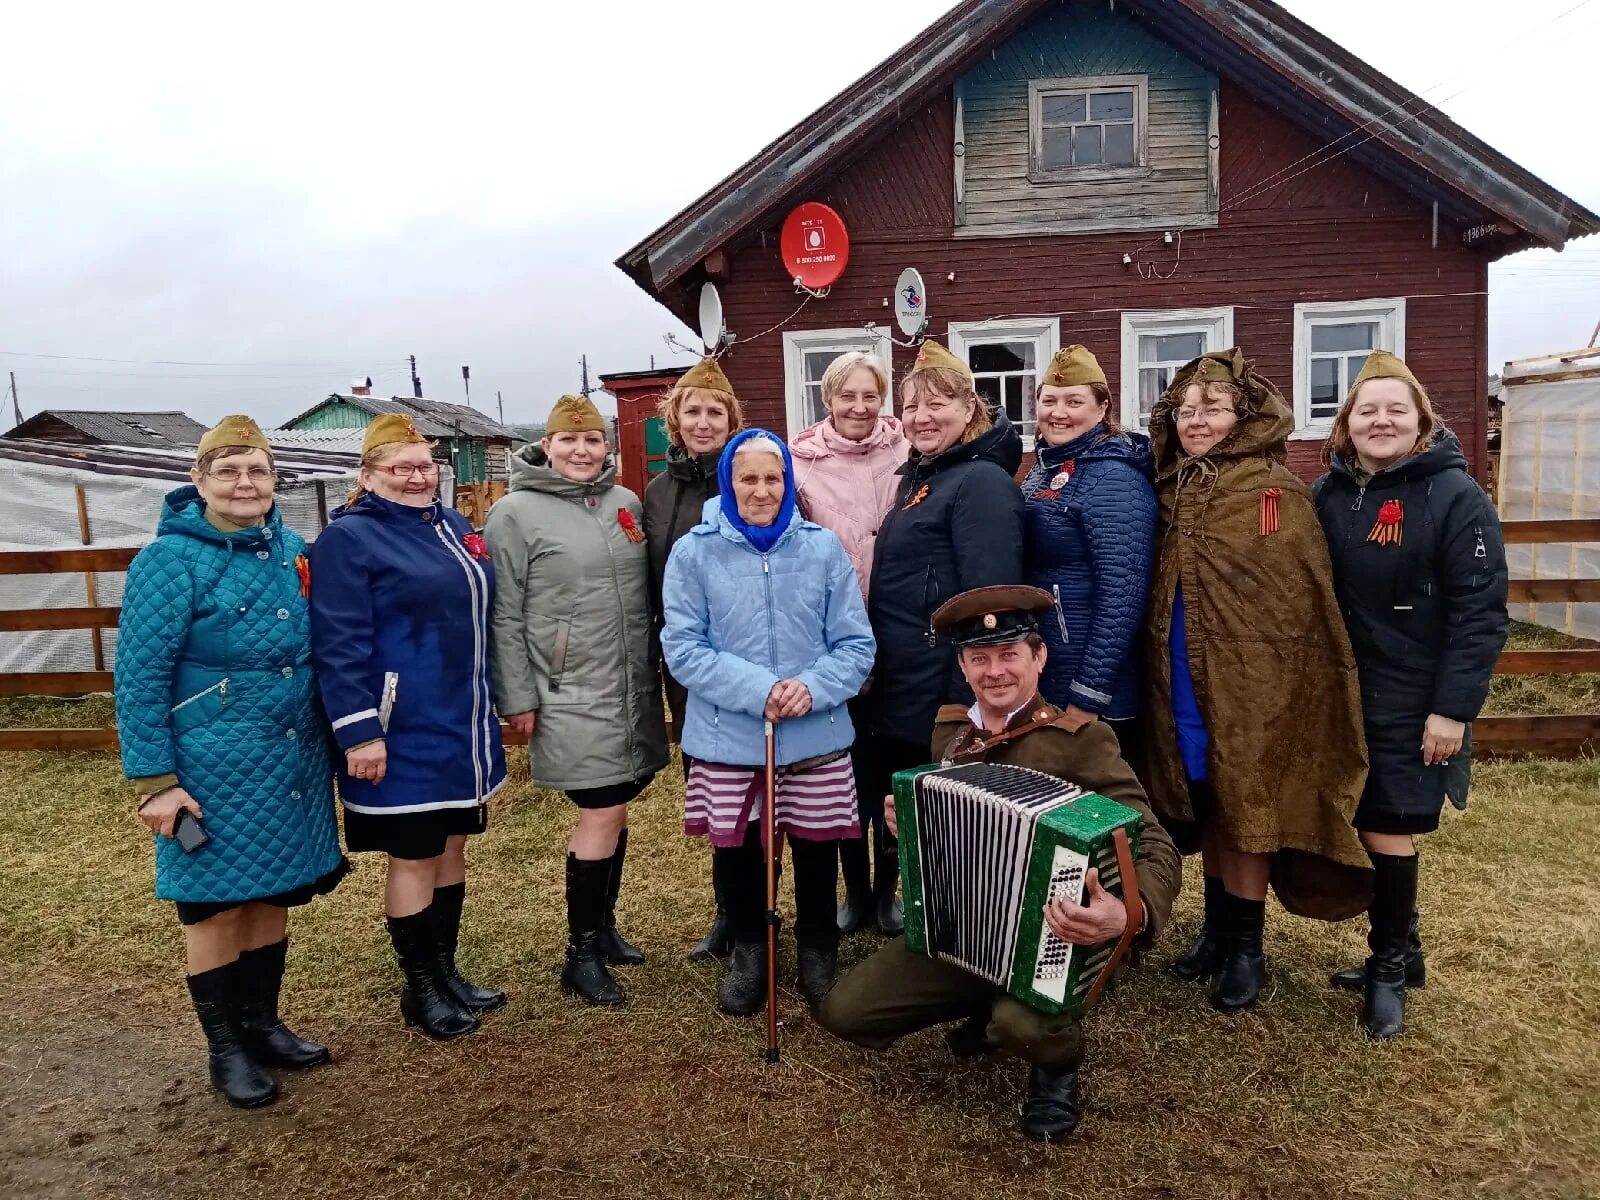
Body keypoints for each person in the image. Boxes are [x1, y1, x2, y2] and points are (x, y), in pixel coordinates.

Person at [816, 586, 1181, 1144]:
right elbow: (945, 844)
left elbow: (1156, 845)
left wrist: (1126, 913)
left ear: (1039, 657)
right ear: (962, 666)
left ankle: (1054, 1068)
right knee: (844, 1011)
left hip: (1052, 937)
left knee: (1021, 1023)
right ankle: (983, 997)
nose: (995, 671)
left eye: (1010, 654)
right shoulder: (948, 733)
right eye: (979, 658)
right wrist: (908, 825)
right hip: (965, 931)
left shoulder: (1081, 742)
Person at [116, 415, 347, 1109]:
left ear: (275, 481)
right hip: (210, 764)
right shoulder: (169, 561)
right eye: (229, 471)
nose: (245, 484)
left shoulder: (291, 550)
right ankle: (226, 1049)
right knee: (215, 904)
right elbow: (139, 678)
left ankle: (264, 1024)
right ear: (199, 481)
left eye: (258, 471)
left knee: (274, 890)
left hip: (289, 760)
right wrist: (158, 783)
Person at [1140, 349, 1371, 1014]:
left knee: (1247, 800)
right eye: (1186, 410)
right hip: (1182, 672)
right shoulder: (1170, 486)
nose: (1197, 420)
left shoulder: (1275, 491)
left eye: (1211, 408)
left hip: (1254, 685)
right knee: (1207, 793)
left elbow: (1297, 600)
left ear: (1244, 413)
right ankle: (1215, 931)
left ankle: (1246, 948)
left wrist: (1278, 683)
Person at [1312, 351, 1508, 1039]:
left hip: (1414, 693)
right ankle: (1410, 953)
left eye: (1396, 409)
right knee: (1365, 819)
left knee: (1386, 827)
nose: (1381, 420)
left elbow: (1481, 613)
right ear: (1347, 423)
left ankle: (1388, 969)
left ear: (1422, 420)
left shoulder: (1456, 499)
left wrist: (1453, 709)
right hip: (1347, 692)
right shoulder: (1331, 494)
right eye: (1367, 409)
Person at [661, 429, 876, 1011]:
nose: (762, 490)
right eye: (748, 478)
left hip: (816, 731)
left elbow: (855, 644)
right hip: (731, 735)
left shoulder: (822, 548)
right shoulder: (694, 552)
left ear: (788, 482)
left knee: (815, 847)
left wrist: (810, 687)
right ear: (729, 482)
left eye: (773, 478)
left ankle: (816, 949)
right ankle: (750, 949)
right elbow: (683, 647)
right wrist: (760, 690)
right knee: (738, 854)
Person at [310, 413, 507, 1042]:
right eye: (402, 467)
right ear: (367, 476)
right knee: (415, 853)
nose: (419, 476)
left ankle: (446, 972)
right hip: (400, 725)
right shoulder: (350, 540)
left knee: (451, 844)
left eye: (426, 465)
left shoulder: (450, 526)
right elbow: (338, 642)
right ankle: (420, 987)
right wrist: (359, 731)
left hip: (460, 718)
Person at [486, 394, 668, 1007]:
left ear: (607, 446)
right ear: (547, 445)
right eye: (569, 440)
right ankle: (580, 953)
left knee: (619, 804)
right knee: (602, 808)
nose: (582, 451)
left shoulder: (625, 502)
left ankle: (604, 930)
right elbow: (504, 612)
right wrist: (516, 693)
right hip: (567, 687)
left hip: (628, 681)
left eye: (593, 440)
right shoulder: (514, 512)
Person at [856, 338, 1026, 936]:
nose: (923, 418)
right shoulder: (920, 478)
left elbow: (989, 606)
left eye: (939, 405)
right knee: (899, 800)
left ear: (969, 410)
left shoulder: (980, 483)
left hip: (939, 685)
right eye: (912, 407)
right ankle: (896, 908)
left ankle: (950, 923)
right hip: (899, 678)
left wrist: (966, 702)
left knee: (939, 810)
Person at [787, 350, 909, 936]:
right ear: (827, 399)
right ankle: (854, 891)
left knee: (889, 765)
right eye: (847, 396)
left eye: (870, 395)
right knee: (844, 769)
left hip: (900, 628)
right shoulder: (800, 462)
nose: (860, 407)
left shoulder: (908, 450)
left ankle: (888, 889)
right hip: (833, 635)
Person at [642, 356, 744, 963]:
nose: (703, 422)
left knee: (754, 787)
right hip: (686, 667)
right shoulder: (656, 493)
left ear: (732, 420)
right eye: (693, 411)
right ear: (674, 420)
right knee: (713, 790)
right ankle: (725, 915)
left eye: (715, 412)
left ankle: (755, 914)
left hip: (742, 661)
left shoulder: (748, 478)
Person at [1021, 344, 1156, 760]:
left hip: (1095, 697)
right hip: (1053, 675)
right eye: (1049, 400)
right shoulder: (1048, 466)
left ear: (1101, 409)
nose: (1058, 412)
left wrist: (1088, 696)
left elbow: (1122, 597)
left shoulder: (1113, 478)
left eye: (1074, 401)